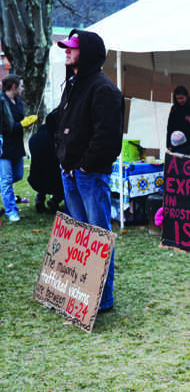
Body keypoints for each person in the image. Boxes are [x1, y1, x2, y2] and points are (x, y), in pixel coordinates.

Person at [54, 29, 125, 313]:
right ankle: (82, 293)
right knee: (78, 237)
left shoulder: (104, 89)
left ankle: (103, 298)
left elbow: (108, 137)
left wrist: (84, 165)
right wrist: (63, 156)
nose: (67, 51)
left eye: (73, 47)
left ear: (89, 53)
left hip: (90, 175)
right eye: (66, 47)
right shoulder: (73, 84)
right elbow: (64, 121)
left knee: (97, 236)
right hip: (71, 172)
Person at [0, 74, 38, 222]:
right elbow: (4, 127)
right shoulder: (1, 102)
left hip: (16, 145)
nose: (22, 89)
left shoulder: (18, 102)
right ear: (14, 87)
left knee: (18, 175)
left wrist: (25, 122)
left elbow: (18, 120)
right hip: (3, 147)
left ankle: (4, 185)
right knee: (6, 180)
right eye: (20, 86)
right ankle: (11, 211)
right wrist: (21, 125)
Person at [28, 109, 64, 213]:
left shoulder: (33, 139)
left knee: (42, 172)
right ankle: (55, 200)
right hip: (55, 182)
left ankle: (40, 198)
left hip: (35, 180)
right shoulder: (57, 140)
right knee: (66, 178)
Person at [166, 85, 190, 155]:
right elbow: (170, 127)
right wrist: (168, 144)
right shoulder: (174, 108)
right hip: (176, 144)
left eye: (181, 98)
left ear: (186, 96)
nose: (179, 101)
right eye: (177, 99)